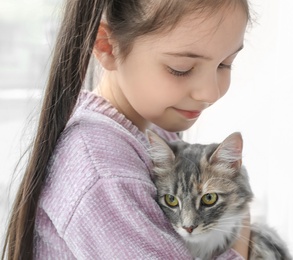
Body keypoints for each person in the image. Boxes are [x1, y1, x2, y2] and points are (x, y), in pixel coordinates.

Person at [2, 0, 251, 259]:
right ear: (107, 47)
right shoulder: (103, 172)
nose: (210, 92)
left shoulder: (152, 133)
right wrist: (239, 239)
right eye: (181, 69)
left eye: (226, 63)